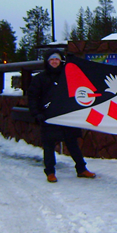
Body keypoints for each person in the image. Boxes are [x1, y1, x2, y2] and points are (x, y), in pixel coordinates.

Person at [28, 49, 95, 183]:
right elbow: (32, 98)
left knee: (72, 143)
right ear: (47, 62)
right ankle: (50, 172)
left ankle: (81, 168)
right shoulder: (39, 79)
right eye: (52, 59)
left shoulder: (67, 76)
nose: (54, 62)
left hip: (66, 115)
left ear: (61, 61)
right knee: (49, 145)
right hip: (48, 116)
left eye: (57, 59)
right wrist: (37, 113)